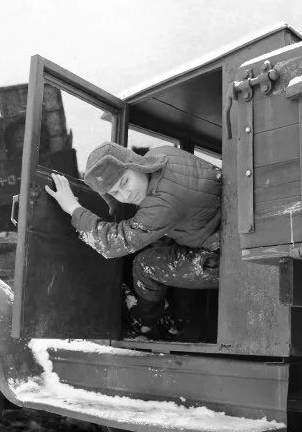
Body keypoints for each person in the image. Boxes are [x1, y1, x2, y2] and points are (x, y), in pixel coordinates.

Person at [46, 142, 222, 340]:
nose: (126, 195)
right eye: (115, 193)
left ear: (134, 163)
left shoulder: (162, 204)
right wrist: (112, 199)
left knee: (145, 265)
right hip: (218, 228)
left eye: (125, 182)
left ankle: (147, 321)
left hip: (227, 260)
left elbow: (113, 242)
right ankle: (177, 315)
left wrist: (72, 207)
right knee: (162, 245)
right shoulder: (161, 153)